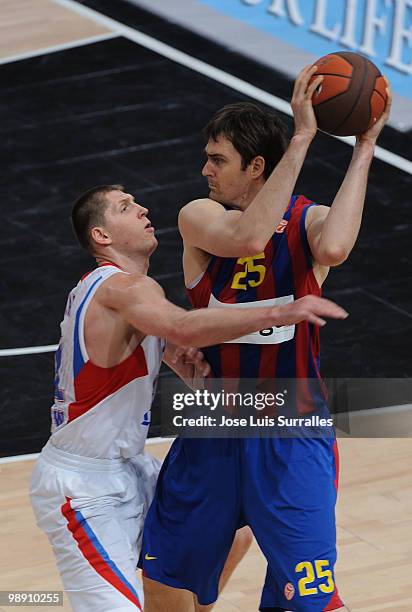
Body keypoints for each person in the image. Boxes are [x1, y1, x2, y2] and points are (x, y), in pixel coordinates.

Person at [141, 67, 392, 611]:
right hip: (215, 421)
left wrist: (364, 146)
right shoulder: (200, 216)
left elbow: (336, 248)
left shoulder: (307, 222)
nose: (204, 169)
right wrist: (301, 139)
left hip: (290, 423)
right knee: (165, 587)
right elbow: (248, 236)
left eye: (218, 159)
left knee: (310, 600)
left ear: (255, 166)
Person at [29, 183, 347, 612]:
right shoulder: (123, 289)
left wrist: (180, 362)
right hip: (83, 488)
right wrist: (280, 311)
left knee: (233, 521)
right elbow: (182, 328)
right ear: (102, 236)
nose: (142, 208)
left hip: (129, 469)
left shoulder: (118, 291)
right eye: (125, 207)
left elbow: (165, 344)